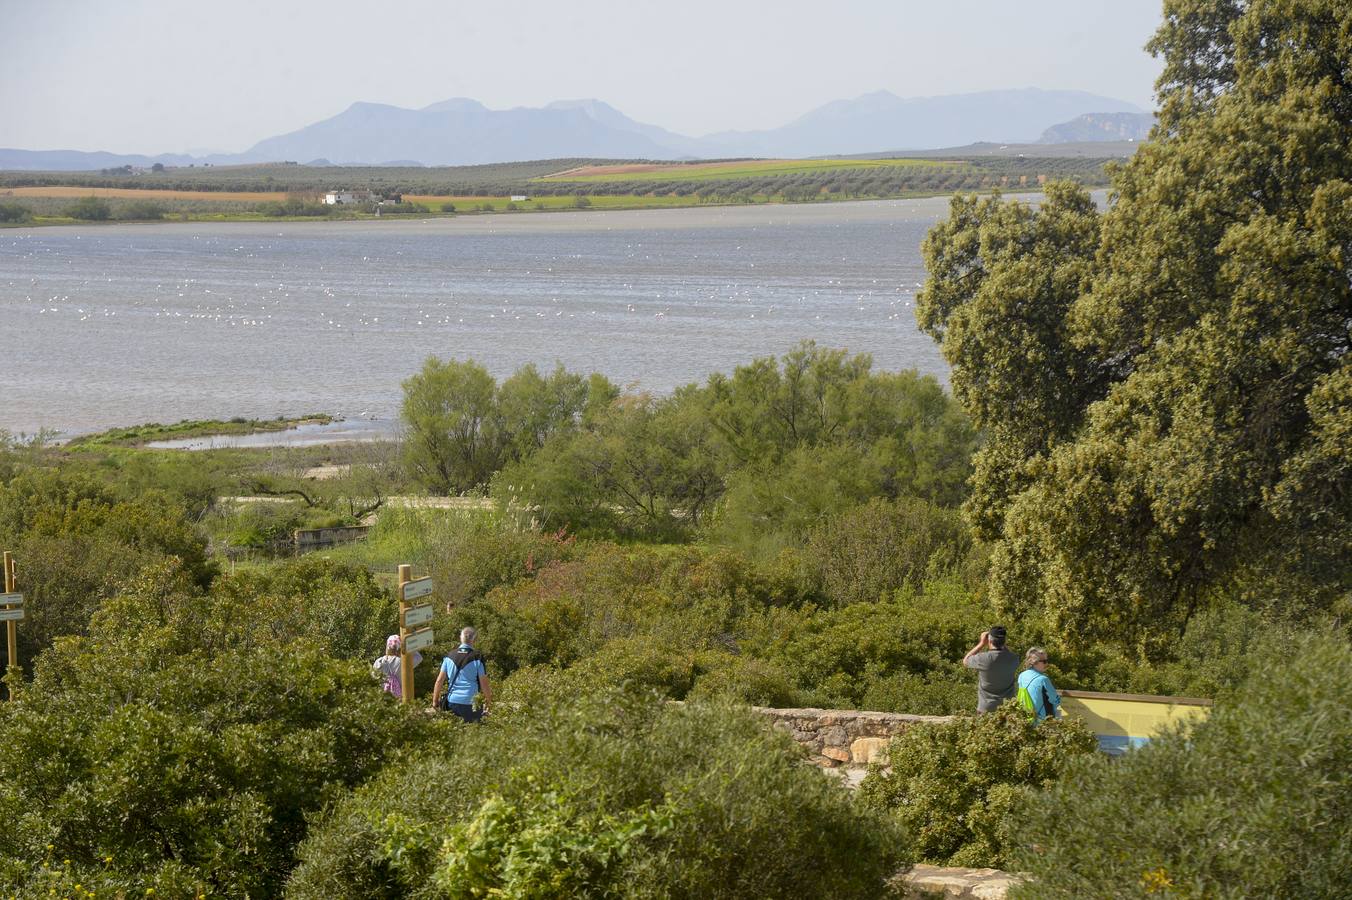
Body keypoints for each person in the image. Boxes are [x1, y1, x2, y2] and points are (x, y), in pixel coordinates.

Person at [432, 626, 491, 723]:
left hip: (452, 702)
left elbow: (439, 681)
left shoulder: (449, 656)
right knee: (473, 733)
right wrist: (488, 703)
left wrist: (435, 702)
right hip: (472, 703)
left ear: (461, 638)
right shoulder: (477, 657)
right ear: (474, 640)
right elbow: (484, 684)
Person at [962, 625, 1019, 713]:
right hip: (1007, 707)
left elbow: (966, 661)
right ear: (1004, 641)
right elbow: (1007, 653)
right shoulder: (1014, 659)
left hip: (986, 707)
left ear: (989, 640)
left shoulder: (983, 658)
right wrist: (1002, 644)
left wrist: (981, 643)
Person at [1017, 647, 1062, 722]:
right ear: (1035, 662)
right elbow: (1055, 700)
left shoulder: (1022, 676)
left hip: (1025, 718)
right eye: (1044, 661)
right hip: (1040, 722)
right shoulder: (1043, 679)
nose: (1046, 663)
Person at [372, 634, 422, 700]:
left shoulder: (379, 662)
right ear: (400, 648)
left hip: (382, 699)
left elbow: (373, 680)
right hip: (399, 700)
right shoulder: (403, 663)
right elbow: (419, 658)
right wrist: (409, 645)